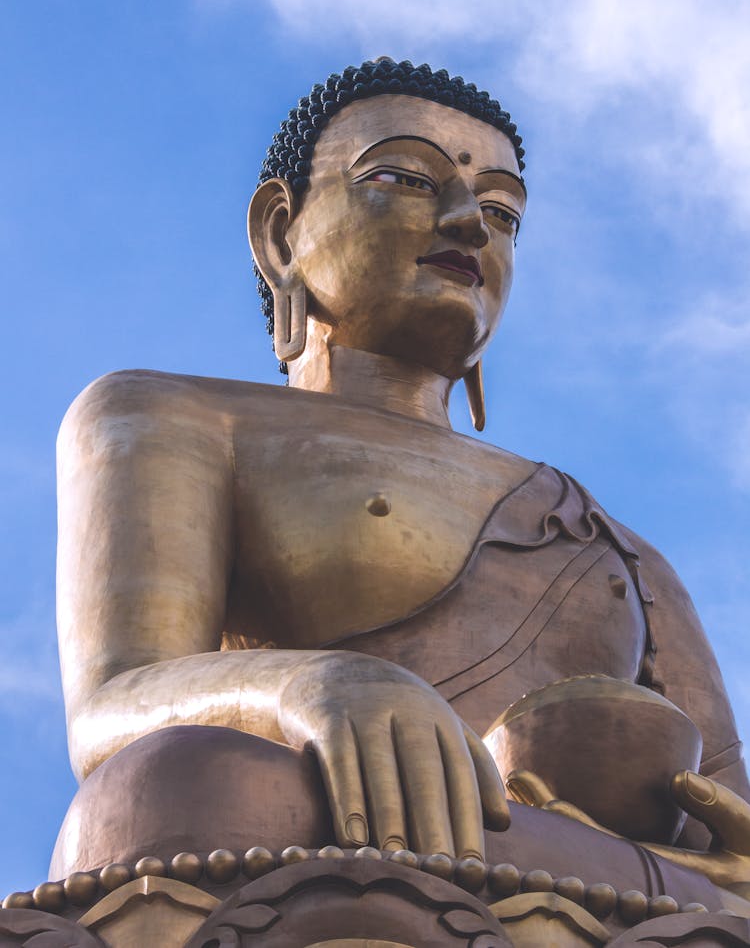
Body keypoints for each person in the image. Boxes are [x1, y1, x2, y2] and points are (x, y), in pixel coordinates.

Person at [51, 59, 750, 905]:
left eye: (501, 211)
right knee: (176, 779)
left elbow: (727, 817)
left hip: (565, 864)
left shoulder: (612, 543)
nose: (469, 224)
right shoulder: (170, 415)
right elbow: (112, 707)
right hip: (300, 823)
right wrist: (313, 683)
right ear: (280, 233)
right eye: (404, 177)